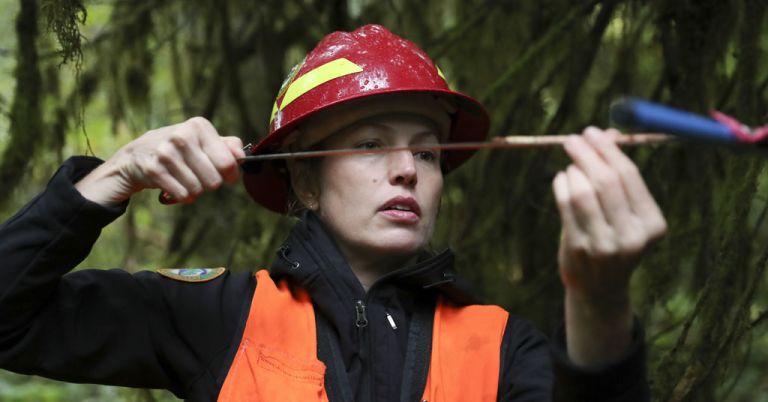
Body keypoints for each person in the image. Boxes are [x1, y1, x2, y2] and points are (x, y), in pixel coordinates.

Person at [0, 24, 666, 401]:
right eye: (372, 144)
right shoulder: (219, 316)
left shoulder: (500, 346)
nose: (408, 168)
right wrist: (112, 178)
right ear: (305, 181)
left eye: (429, 154)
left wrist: (601, 301)